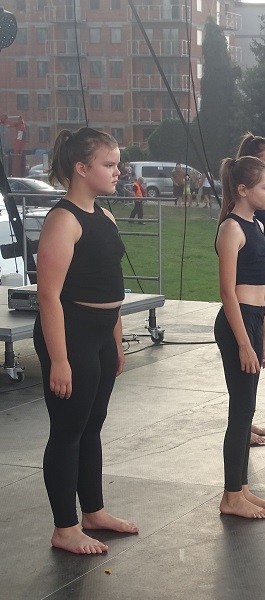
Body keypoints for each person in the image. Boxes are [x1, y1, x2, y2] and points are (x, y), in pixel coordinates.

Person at [35, 127, 139, 554]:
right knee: (68, 431)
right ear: (81, 168)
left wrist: (116, 340)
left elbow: (111, 286)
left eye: (117, 164)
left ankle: (93, 511)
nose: (117, 172)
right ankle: (65, 528)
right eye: (109, 164)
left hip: (100, 335)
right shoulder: (63, 220)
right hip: (71, 335)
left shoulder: (104, 216)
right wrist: (59, 360)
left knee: (92, 426)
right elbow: (48, 295)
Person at [214, 155, 265, 519]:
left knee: (246, 408)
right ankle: (230, 496)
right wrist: (243, 342)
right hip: (235, 322)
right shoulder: (232, 228)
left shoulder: (256, 224)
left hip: (254, 320)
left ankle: (241, 489)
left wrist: (264, 336)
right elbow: (227, 292)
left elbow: (263, 286)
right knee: (240, 412)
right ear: (243, 189)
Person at [235, 132, 265, 446]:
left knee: (258, 359)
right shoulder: (244, 208)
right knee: (247, 362)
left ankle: (246, 418)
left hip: (264, 280)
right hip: (250, 283)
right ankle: (243, 423)